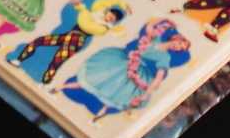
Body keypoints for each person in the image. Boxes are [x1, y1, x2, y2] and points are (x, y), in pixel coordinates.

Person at [60, 19, 192, 120]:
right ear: (177, 38)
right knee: (100, 77)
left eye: (181, 48)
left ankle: (97, 116)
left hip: (137, 73)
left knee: (116, 95)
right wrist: (164, 19)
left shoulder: (165, 58)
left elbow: (158, 77)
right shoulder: (156, 38)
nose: (178, 47)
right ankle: (62, 87)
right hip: (124, 60)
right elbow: (149, 26)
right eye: (180, 43)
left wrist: (146, 94)